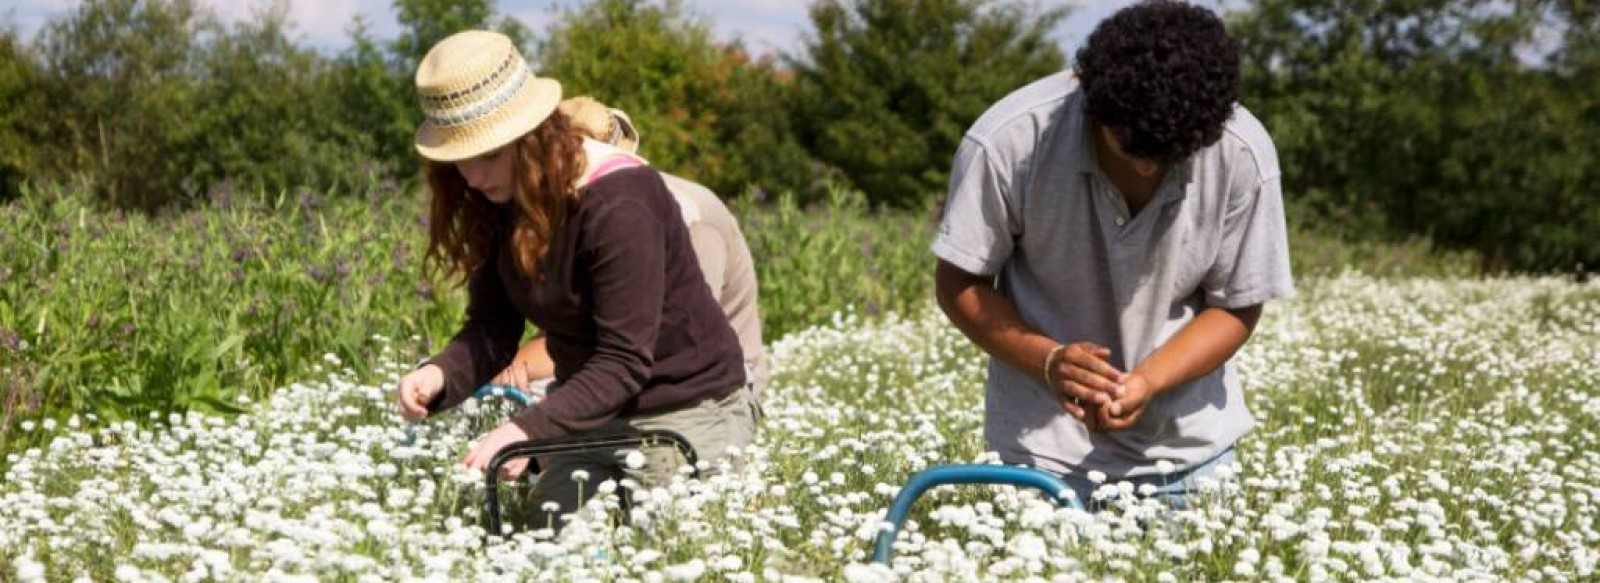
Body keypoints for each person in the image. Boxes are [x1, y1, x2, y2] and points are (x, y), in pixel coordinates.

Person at [931, 0, 1293, 510]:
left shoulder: (1242, 152)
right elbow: (958, 283)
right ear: (1092, 103)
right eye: (1130, 149)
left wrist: (1147, 380)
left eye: (1166, 157)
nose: (1146, 170)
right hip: (1039, 455)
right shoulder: (1009, 141)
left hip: (1189, 458)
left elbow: (1236, 305)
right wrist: (1048, 361)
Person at [392, 30, 754, 526]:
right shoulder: (496, 201)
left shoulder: (620, 202)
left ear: (534, 137)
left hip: (684, 408)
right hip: (592, 410)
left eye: (488, 156)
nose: (472, 176)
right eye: (459, 160)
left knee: (667, 550)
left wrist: (526, 428)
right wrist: (438, 374)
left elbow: (624, 360)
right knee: (549, 542)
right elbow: (492, 328)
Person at [489, 97, 770, 415]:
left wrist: (512, 367)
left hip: (706, 388)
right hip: (622, 369)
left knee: (525, 412)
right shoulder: (573, 212)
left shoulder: (683, 215)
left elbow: (662, 335)